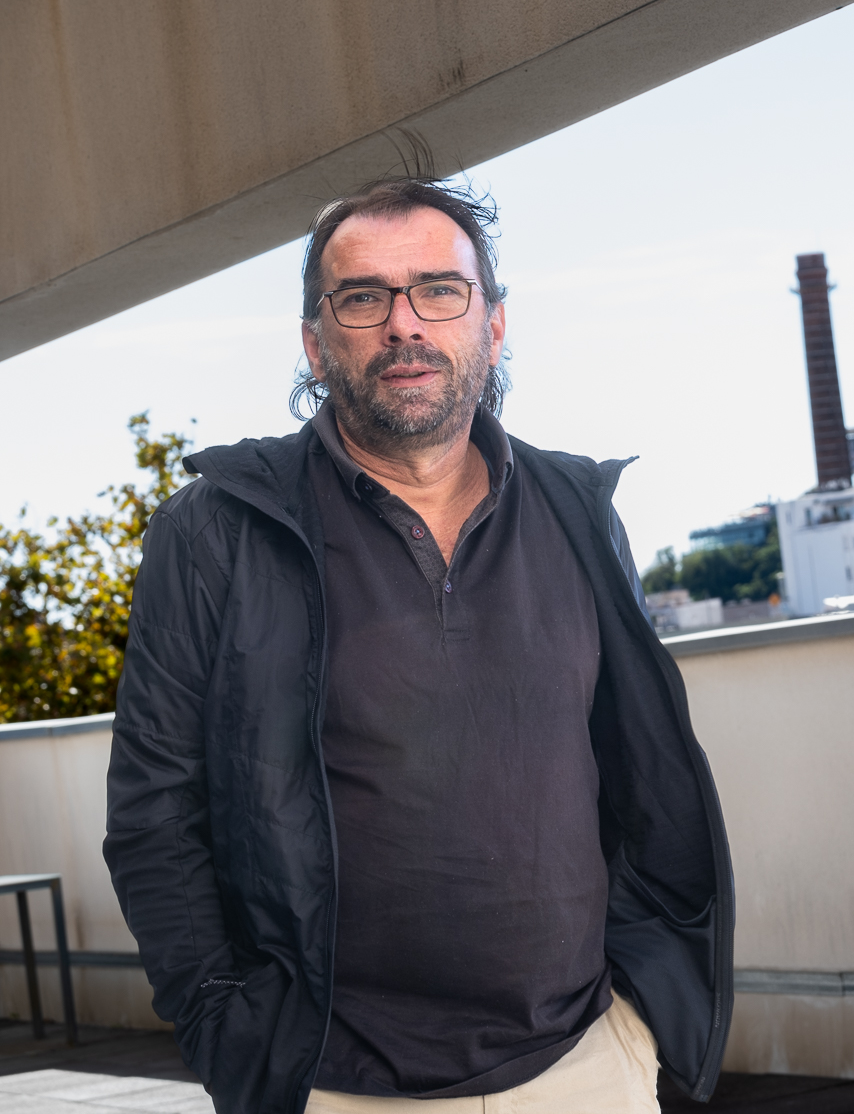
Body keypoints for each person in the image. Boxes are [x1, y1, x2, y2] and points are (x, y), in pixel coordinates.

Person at [103, 178, 733, 1114]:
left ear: (494, 323)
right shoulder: (219, 532)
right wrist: (228, 1033)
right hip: (334, 1087)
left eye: (440, 289)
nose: (405, 323)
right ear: (317, 341)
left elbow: (641, 776)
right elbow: (155, 812)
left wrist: (637, 1023)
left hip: (584, 1067)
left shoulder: (577, 514)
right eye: (364, 297)